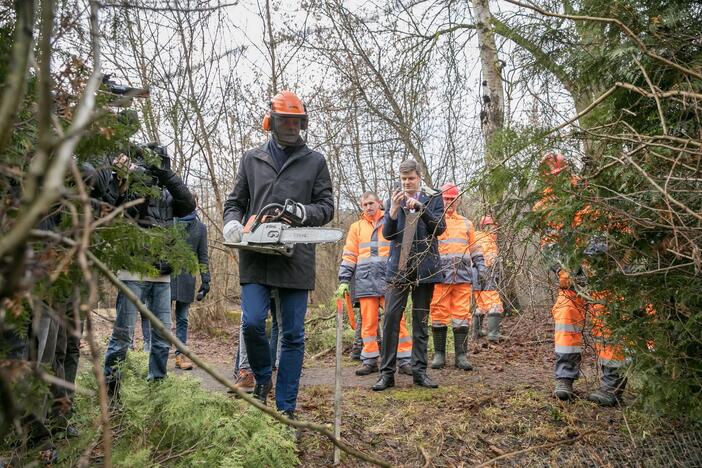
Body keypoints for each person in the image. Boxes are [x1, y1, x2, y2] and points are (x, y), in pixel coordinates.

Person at [223, 90, 334, 418]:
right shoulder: (251, 159)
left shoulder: (315, 161)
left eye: (296, 121)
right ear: (272, 122)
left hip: (295, 257)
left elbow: (326, 207)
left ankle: (286, 408)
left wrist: (300, 212)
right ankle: (260, 379)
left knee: (293, 334)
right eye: (285, 120)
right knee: (254, 323)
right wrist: (233, 224)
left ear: (302, 122)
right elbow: (234, 202)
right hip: (256, 254)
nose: (290, 127)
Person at [91, 145, 196, 399]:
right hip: (132, 272)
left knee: (162, 339)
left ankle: (156, 395)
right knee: (122, 338)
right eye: (153, 162)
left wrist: (165, 174)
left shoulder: (169, 193)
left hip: (162, 275)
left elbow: (188, 204)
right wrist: (137, 176)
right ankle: (111, 395)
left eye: (162, 162)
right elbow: (122, 208)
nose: (157, 167)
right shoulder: (131, 187)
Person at [534, 152, 627, 406]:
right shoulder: (544, 205)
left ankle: (613, 384)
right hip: (569, 276)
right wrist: (562, 271)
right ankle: (564, 378)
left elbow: (598, 238)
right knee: (565, 317)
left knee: (607, 321)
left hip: (600, 273)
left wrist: (586, 268)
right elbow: (549, 245)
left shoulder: (586, 195)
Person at [372, 159, 446, 391]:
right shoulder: (392, 199)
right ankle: (386, 374)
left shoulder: (433, 197)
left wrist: (422, 210)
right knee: (392, 318)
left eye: (411, 178)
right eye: (404, 179)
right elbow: (387, 235)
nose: (407, 183)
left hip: (425, 268)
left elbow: (440, 229)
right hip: (399, 267)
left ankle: (419, 372)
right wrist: (392, 212)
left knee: (420, 321)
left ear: (419, 177)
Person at [337, 191, 413, 376]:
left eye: (371, 203)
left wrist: (404, 274)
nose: (368, 207)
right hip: (366, 281)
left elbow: (402, 249)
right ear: (361, 207)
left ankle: (404, 360)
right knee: (368, 324)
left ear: (379, 203)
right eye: (365, 205)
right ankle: (370, 360)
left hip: (389, 280)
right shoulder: (356, 227)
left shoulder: (390, 220)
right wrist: (344, 279)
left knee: (397, 320)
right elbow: (349, 254)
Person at [428, 183, 486, 371]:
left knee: (462, 316)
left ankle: (461, 355)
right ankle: (439, 355)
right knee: (438, 314)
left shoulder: (466, 223)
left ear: (458, 200)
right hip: (440, 277)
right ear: (440, 200)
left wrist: (481, 267)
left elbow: (475, 248)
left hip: (462, 276)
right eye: (446, 199)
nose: (449, 203)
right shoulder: (434, 222)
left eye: (452, 199)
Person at [170, 195, 210, 370]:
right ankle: (155, 356)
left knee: (183, 319)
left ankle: (180, 356)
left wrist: (206, 280)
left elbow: (203, 257)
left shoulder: (200, 228)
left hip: (187, 279)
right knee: (160, 319)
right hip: (167, 275)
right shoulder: (170, 222)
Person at [473, 215, 505, 342]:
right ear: (485, 227)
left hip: (476, 276)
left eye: (494, 227)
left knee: (481, 304)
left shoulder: (476, 237)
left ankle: (477, 332)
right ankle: (493, 334)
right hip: (486, 275)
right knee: (495, 304)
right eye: (491, 227)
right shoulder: (487, 240)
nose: (494, 230)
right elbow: (488, 261)